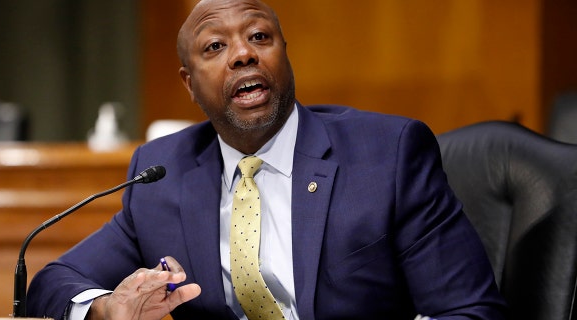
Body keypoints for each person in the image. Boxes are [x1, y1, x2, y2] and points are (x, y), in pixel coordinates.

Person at [27, 0, 507, 319]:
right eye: (215, 46)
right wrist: (106, 309)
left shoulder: (387, 153)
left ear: (284, 55)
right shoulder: (163, 173)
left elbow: (470, 311)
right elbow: (51, 284)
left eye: (259, 38)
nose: (242, 55)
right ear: (189, 84)